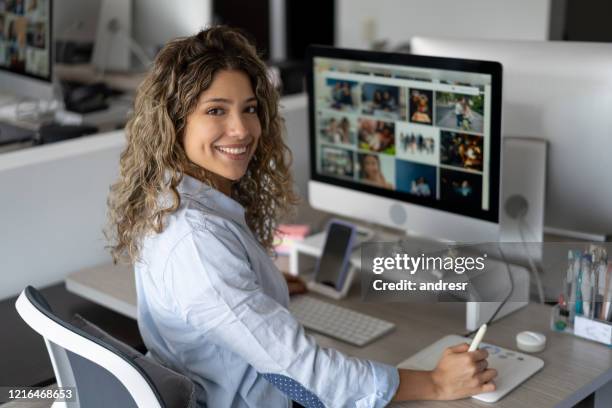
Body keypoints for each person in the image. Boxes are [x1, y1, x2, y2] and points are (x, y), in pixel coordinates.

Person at [106, 26, 496, 408]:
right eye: (215, 111)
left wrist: (258, 286)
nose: (242, 129)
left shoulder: (175, 196)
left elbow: (216, 298)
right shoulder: (198, 245)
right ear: (175, 123)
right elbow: (303, 371)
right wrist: (435, 383)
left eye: (250, 109)